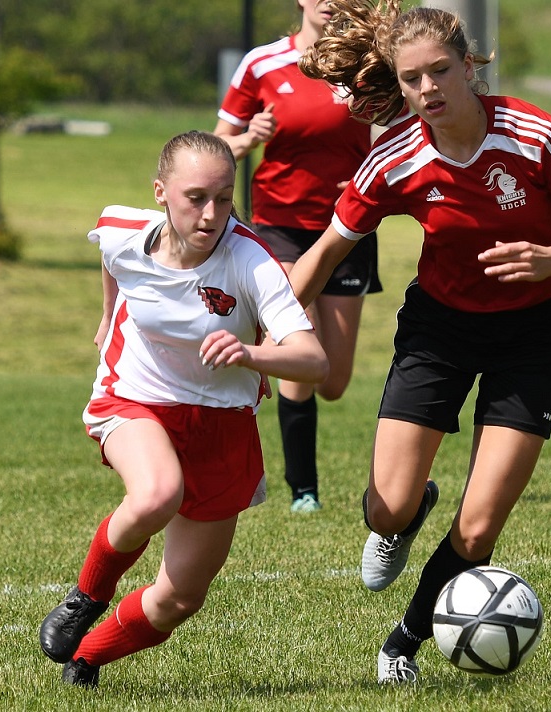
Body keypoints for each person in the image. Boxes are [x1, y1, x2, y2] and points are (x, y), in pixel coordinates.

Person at [292, 0, 551, 684]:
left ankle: (402, 645)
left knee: (478, 531)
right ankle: (404, 518)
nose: (428, 89)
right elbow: (326, 251)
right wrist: (266, 332)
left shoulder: (535, 135)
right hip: (439, 330)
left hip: (532, 333)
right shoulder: (394, 157)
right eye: (412, 79)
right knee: (386, 506)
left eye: (441, 71)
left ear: (470, 67)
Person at [38, 130, 328, 688]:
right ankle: (86, 596)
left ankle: (87, 658)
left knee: (180, 596)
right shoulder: (126, 231)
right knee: (155, 493)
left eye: (224, 198)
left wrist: (250, 352)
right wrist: (107, 314)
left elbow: (313, 361)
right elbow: (110, 253)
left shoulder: (250, 259)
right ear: (160, 193)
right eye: (196, 197)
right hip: (136, 397)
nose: (212, 213)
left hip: (221, 425)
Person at [215, 0, 384, 514]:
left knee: (331, 380)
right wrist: (249, 138)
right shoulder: (261, 64)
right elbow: (217, 147)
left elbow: (401, 129)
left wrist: (369, 178)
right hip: (280, 227)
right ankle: (303, 490)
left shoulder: (366, 60)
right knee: (298, 350)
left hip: (349, 228)